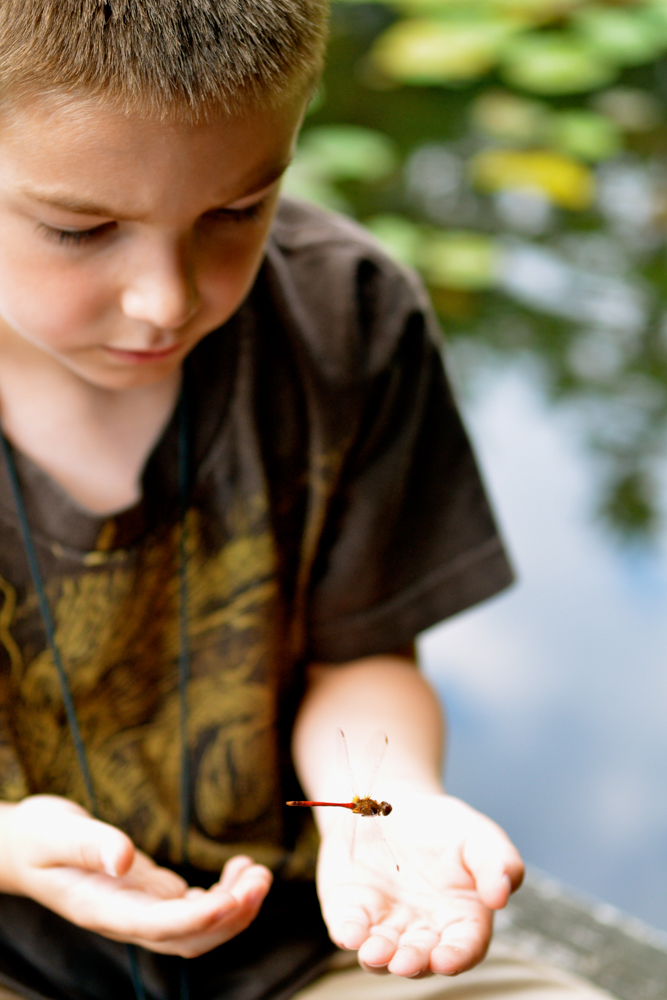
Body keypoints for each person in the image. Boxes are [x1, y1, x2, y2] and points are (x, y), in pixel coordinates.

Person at [0, 2, 618, 999]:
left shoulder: (350, 319)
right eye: (82, 228)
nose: (167, 298)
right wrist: (12, 849)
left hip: (301, 948)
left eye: (237, 212)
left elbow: (361, 656)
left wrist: (385, 807)